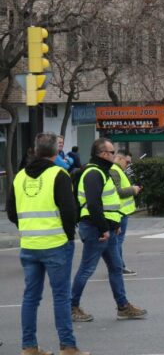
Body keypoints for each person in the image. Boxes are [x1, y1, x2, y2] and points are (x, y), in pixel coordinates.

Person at [8, 133, 86, 355]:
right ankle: (68, 346)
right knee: (61, 296)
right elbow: (69, 210)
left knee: (30, 296)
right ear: (54, 152)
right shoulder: (58, 174)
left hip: (30, 244)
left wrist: (27, 227)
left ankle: (29, 346)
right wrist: (69, 235)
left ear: (35, 150)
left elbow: (12, 212)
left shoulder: (20, 176)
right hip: (56, 243)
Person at [70, 138, 148, 324]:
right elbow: (94, 204)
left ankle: (123, 306)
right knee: (87, 268)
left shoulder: (103, 172)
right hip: (96, 228)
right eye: (112, 152)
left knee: (115, 268)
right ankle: (72, 307)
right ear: (103, 154)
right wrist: (104, 228)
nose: (115, 155)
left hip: (107, 228)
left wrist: (115, 224)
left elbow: (108, 203)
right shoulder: (94, 173)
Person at [110, 150, 141, 276]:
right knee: (117, 241)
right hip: (120, 212)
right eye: (127, 162)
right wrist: (133, 189)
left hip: (121, 211)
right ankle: (118, 266)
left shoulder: (117, 170)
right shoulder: (114, 170)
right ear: (119, 158)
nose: (128, 165)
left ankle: (117, 266)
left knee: (116, 241)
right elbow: (118, 191)